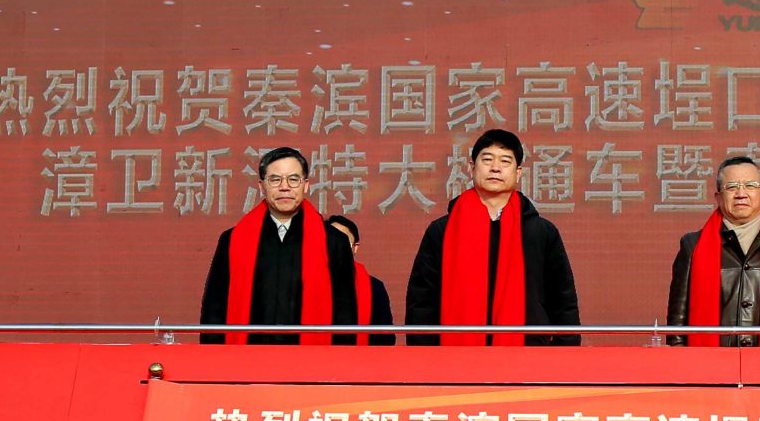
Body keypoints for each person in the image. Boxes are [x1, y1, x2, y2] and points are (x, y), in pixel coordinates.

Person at [404, 129, 582, 345]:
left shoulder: (541, 231)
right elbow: (422, 300)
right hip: (454, 355)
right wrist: (423, 352)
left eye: (505, 161)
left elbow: (562, 299)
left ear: (518, 173)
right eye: (487, 160)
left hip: (528, 353)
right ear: (472, 167)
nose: (495, 168)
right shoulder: (442, 230)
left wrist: (565, 351)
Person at [197, 146, 359, 345]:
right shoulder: (232, 240)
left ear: (305, 185)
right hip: (248, 357)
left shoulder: (333, 241)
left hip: (312, 358)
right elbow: (214, 309)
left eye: (293, 179)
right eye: (275, 180)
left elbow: (345, 313)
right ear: (261, 186)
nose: (285, 187)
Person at [663, 156, 760, 345]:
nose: (741, 194)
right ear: (718, 197)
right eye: (732, 187)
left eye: (750, 186)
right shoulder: (693, 245)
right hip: (711, 361)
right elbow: (677, 325)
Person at [325, 214, 396, 346]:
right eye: (331, 241)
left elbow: (385, 338)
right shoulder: (304, 282)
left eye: (344, 241)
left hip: (360, 357)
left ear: (355, 247)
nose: (337, 246)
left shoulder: (375, 287)